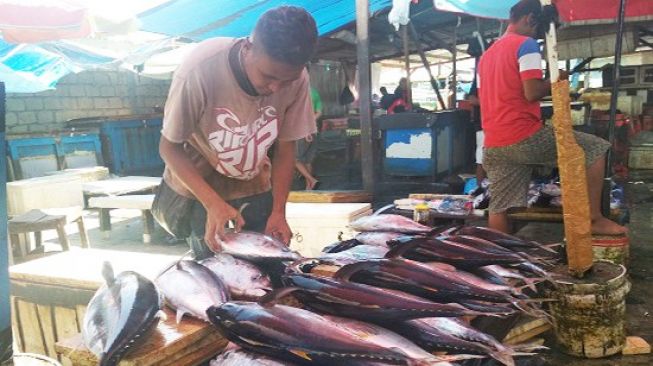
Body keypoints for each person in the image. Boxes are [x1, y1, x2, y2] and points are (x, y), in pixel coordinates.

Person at [152, 6, 319, 259]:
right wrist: (212, 203)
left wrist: (278, 211)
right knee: (212, 266)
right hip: (200, 181)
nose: (276, 88)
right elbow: (169, 147)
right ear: (247, 47)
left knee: (264, 270)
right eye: (268, 76)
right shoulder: (200, 69)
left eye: (287, 80)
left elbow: (286, 148)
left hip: (253, 181)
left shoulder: (298, 78)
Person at [477, 0, 626, 235]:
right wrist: (557, 79)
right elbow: (532, 91)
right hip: (523, 135)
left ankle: (499, 259)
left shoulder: (487, 55)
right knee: (596, 148)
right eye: (538, 29)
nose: (537, 35)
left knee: (500, 207)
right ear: (530, 19)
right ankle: (594, 218)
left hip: (495, 141)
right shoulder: (526, 45)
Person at [294, 86, 322, 190]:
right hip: (314, 129)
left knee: (295, 159)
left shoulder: (299, 93)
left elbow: (301, 114)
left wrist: (306, 127)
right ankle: (309, 187)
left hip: (303, 130)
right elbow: (319, 112)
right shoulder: (314, 92)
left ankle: (312, 180)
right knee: (307, 160)